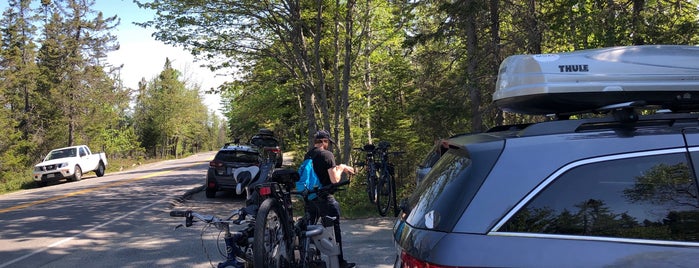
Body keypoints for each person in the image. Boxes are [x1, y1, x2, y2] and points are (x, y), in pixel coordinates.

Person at [304, 130, 356, 268]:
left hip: (310, 197)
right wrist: (342, 167)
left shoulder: (308, 155)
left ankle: (312, 260)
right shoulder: (327, 154)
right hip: (325, 197)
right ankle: (339, 262)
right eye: (327, 142)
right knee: (334, 230)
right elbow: (334, 179)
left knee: (311, 229)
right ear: (324, 142)